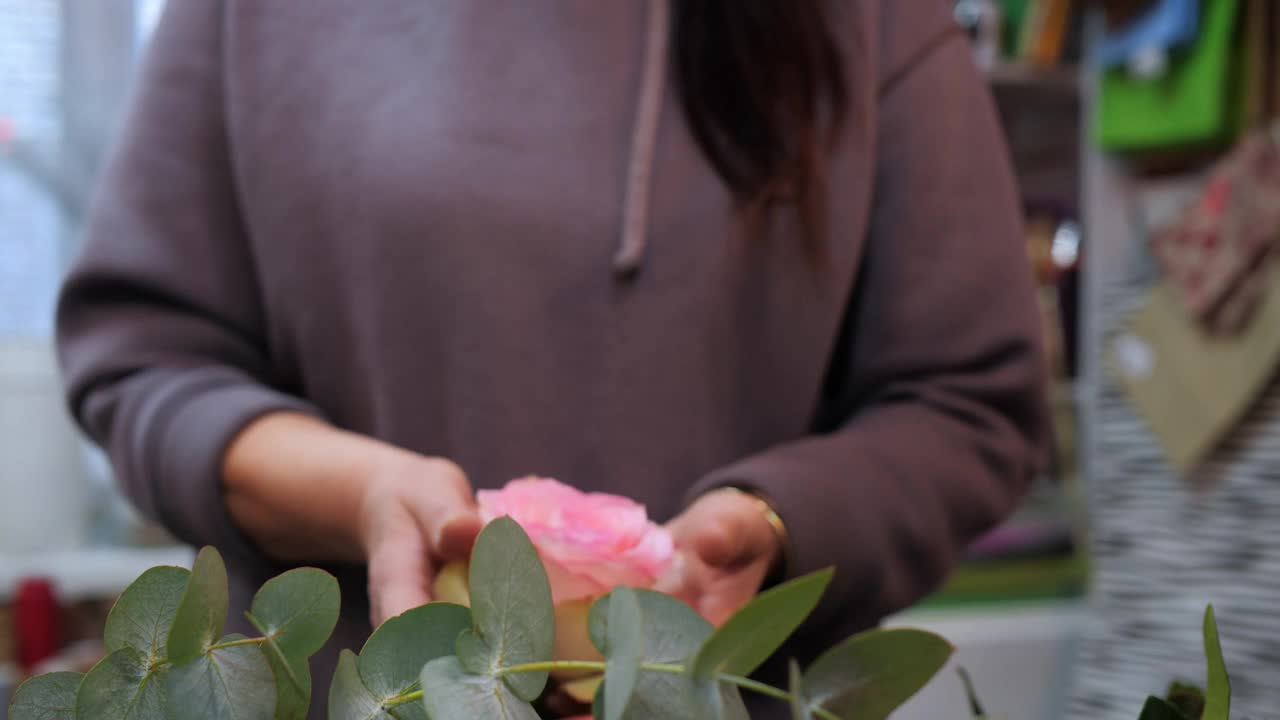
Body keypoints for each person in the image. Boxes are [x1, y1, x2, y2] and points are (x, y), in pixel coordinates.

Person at [56, 1, 1049, 717]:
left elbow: (970, 401)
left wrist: (773, 522)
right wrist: (362, 494)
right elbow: (144, 357)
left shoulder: (872, 24)